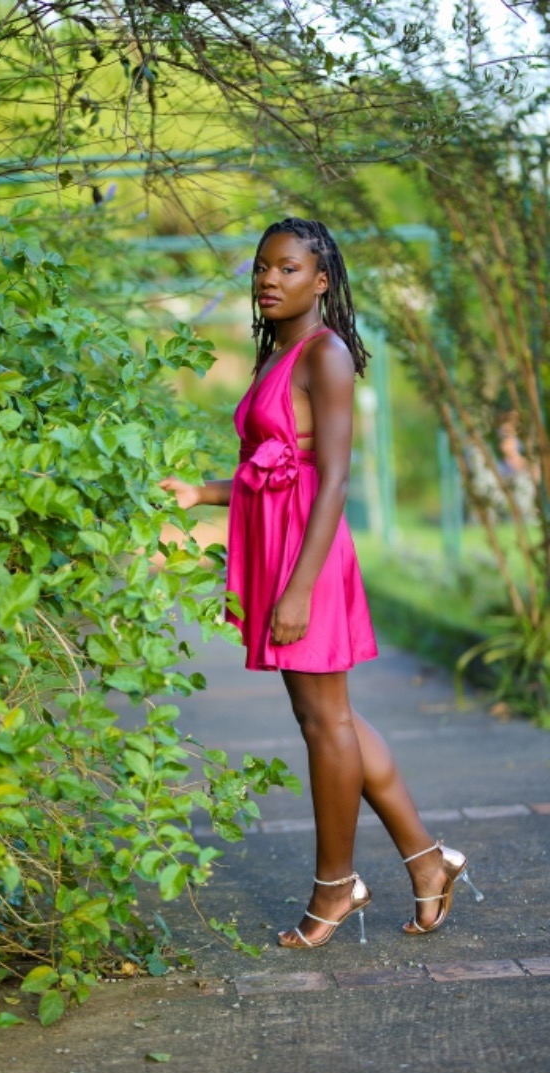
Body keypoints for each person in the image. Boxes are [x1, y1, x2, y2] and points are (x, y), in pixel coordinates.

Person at [161, 217, 483, 948]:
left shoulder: (325, 353)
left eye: (288, 268)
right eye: (262, 267)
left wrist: (300, 588)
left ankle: (337, 886)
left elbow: (332, 478)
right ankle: (427, 861)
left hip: (307, 553)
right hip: (279, 545)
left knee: (325, 721)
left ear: (321, 280)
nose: (269, 279)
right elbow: (275, 469)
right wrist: (201, 493)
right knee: (329, 717)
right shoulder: (278, 353)